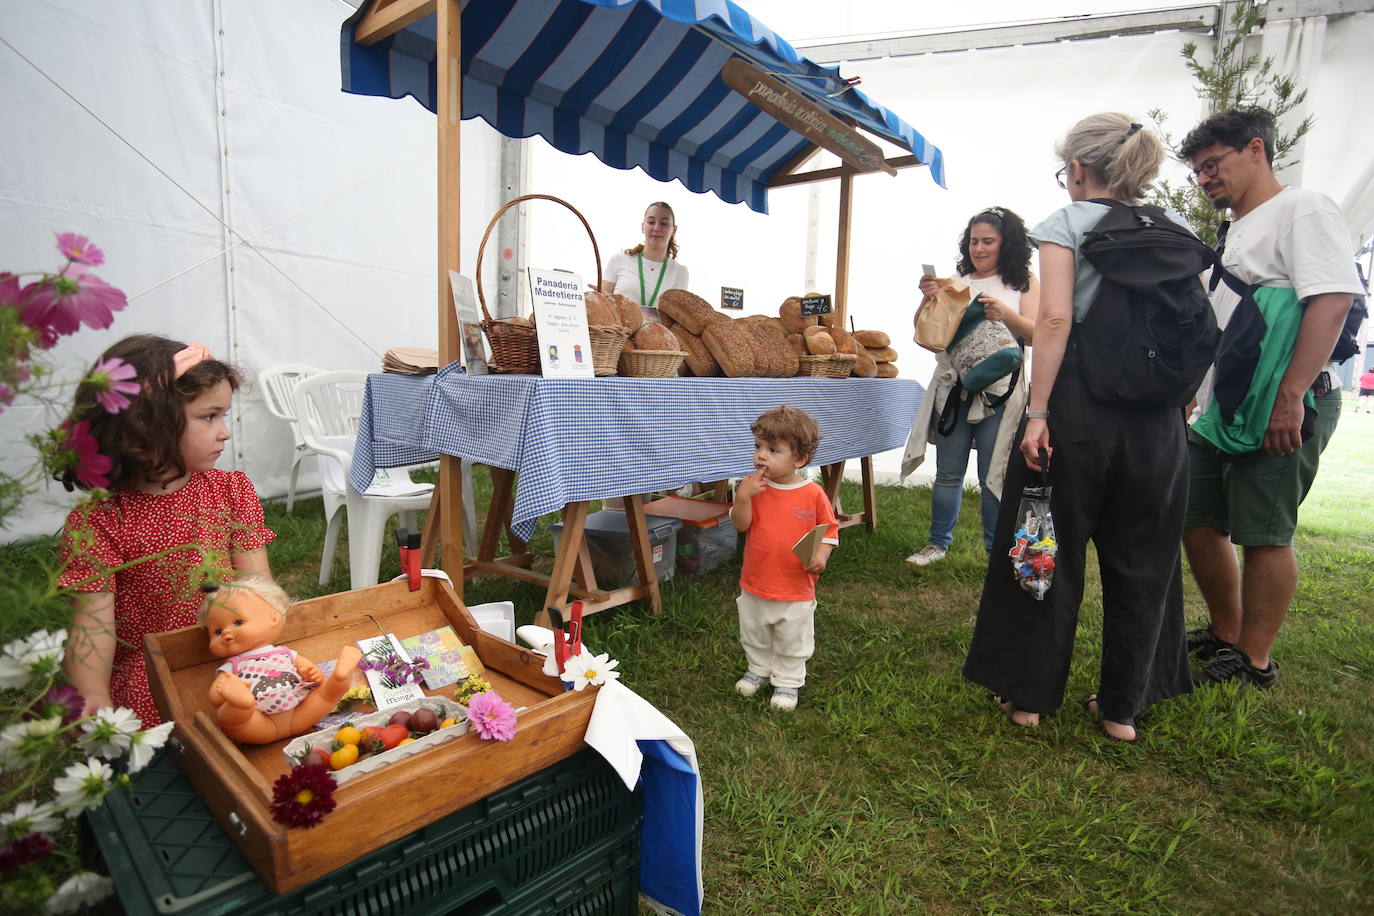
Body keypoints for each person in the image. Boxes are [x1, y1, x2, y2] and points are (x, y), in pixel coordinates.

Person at [963, 113, 1194, 742]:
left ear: (1081, 169)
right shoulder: (1174, 233)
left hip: (1079, 417)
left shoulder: (1066, 225)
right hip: (1157, 426)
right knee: (1145, 562)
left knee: (1041, 550)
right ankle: (1124, 708)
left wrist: (1038, 413)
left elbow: (1056, 322)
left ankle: (1029, 697)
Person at [1178, 108, 1362, 688]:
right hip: (1223, 407)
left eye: (1213, 164)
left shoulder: (1302, 208)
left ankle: (1255, 660)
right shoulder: (1239, 228)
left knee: (1263, 530)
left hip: (1285, 402)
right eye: (1198, 171)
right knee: (1196, 516)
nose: (1205, 178)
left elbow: (1331, 299)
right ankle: (1227, 633)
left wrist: (1292, 396)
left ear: (1256, 150)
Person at [58, 334, 275, 726]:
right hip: (152, 675)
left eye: (223, 415)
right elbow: (93, 627)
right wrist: (91, 694)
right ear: (145, 423)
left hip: (233, 657)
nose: (224, 431)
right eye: (209, 417)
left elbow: (258, 590)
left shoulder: (230, 490)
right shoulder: (100, 521)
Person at [903, 207, 1040, 566]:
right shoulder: (956, 280)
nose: (978, 249)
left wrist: (1006, 315)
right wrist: (928, 299)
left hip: (1001, 392)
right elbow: (925, 333)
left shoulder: (1023, 281)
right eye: (973, 241)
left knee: (993, 473)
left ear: (1006, 244)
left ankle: (996, 553)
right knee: (948, 471)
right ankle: (937, 544)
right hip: (954, 389)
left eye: (988, 242)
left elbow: (1040, 334)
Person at [729, 406, 839, 712]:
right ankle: (759, 669)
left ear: (799, 459)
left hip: (794, 587)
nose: (761, 456)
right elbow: (741, 525)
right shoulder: (753, 488)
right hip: (755, 582)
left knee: (792, 637)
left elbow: (828, 530)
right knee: (754, 631)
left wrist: (820, 555)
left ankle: (788, 681)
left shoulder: (812, 494)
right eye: (758, 447)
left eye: (773, 450)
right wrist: (742, 498)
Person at [203, 577, 362, 744]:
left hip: (301, 711)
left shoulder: (285, 652)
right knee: (228, 717)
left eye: (238, 622)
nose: (227, 633)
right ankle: (241, 704)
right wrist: (225, 692)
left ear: (273, 618)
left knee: (327, 694)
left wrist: (312, 673)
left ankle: (340, 677)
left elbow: (310, 670)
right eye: (218, 632)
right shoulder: (232, 666)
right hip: (258, 723)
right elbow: (215, 698)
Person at [600, 201, 690, 313]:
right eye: (651, 222)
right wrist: (599, 297)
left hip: (658, 331)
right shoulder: (619, 259)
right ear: (643, 227)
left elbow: (676, 316)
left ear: (673, 230)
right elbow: (602, 305)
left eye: (664, 223)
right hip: (618, 330)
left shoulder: (679, 272)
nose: (657, 228)